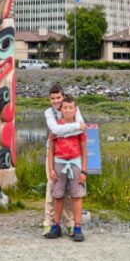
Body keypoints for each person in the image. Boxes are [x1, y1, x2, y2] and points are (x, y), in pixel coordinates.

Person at [42, 84, 86, 235]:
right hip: (54, 153)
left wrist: (61, 132)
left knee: (71, 191)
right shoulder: (48, 112)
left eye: (58, 97)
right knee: (53, 188)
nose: (56, 101)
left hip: (73, 156)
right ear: (49, 100)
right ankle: (49, 222)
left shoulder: (73, 107)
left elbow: (82, 128)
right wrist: (72, 128)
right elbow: (54, 130)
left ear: (63, 96)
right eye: (52, 98)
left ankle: (70, 222)